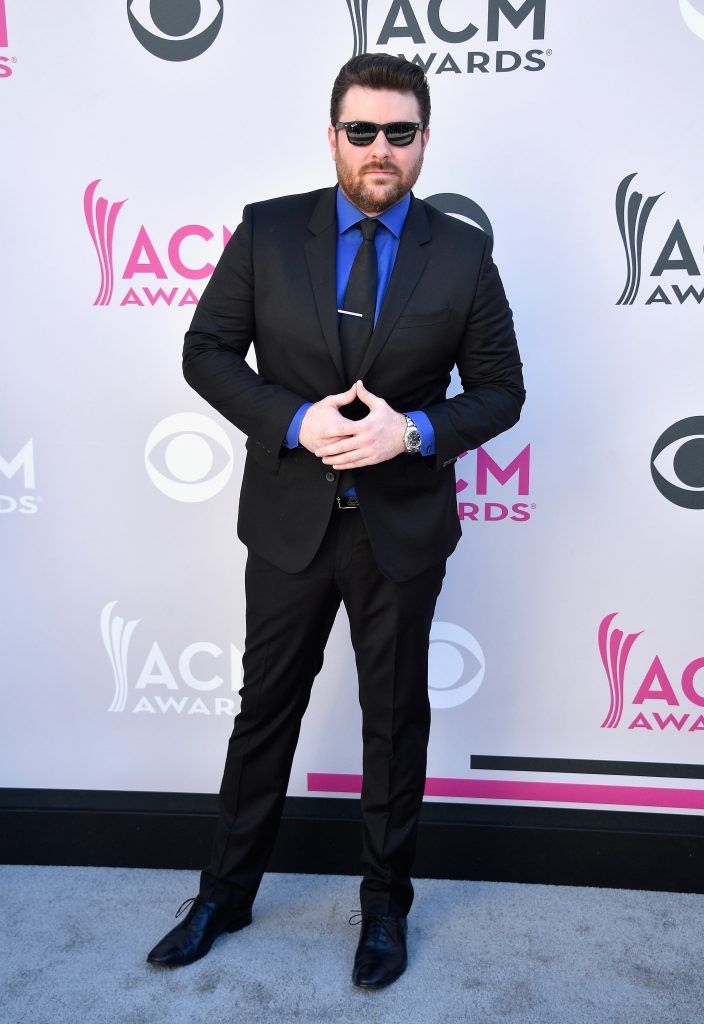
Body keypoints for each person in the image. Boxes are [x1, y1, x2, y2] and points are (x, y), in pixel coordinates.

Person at [147, 52, 525, 989]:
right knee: (264, 711)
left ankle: (385, 909)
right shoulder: (269, 233)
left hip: (399, 531)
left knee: (395, 722)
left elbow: (502, 392)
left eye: (401, 132)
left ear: (424, 141)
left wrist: (416, 430)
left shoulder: (463, 253)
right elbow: (206, 352)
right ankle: (223, 895)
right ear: (333, 137)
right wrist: (294, 418)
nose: (381, 150)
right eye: (363, 131)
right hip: (288, 524)